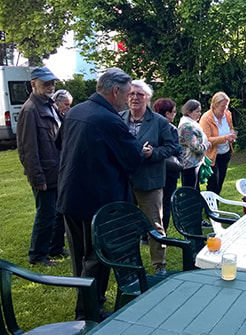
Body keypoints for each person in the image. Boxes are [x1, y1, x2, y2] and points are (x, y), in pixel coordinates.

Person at [57, 68, 145, 320]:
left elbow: (60, 146)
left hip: (70, 195)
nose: (129, 99)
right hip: (99, 201)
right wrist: (142, 150)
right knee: (97, 257)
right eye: (128, 93)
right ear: (115, 91)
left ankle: (87, 302)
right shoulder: (109, 120)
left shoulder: (75, 111)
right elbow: (133, 158)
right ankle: (87, 313)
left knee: (79, 257)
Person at [120, 80, 176, 274]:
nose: (135, 98)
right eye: (132, 94)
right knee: (126, 225)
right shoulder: (119, 118)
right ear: (126, 97)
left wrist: (153, 153)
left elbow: (172, 148)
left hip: (150, 181)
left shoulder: (160, 122)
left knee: (155, 226)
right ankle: (129, 265)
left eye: (140, 94)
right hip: (124, 181)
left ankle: (159, 265)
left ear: (148, 99)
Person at [16, 67, 67, 266]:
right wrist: (37, 179)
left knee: (58, 213)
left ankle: (55, 248)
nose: (50, 86)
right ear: (33, 84)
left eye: (52, 83)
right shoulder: (30, 110)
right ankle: (37, 255)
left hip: (58, 171)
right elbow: (27, 150)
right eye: (45, 83)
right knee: (45, 215)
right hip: (44, 175)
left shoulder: (51, 105)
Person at [153, 98, 183, 232]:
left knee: (151, 203)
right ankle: (162, 232)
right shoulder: (170, 128)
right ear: (167, 113)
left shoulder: (149, 126)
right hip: (169, 171)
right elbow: (175, 149)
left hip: (152, 170)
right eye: (173, 112)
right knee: (165, 202)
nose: (174, 114)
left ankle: (146, 234)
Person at [200, 91, 236, 194]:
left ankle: (215, 205)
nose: (225, 108)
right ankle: (210, 208)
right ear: (215, 105)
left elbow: (230, 129)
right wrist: (225, 138)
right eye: (223, 106)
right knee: (213, 183)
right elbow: (206, 139)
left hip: (225, 153)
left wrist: (232, 135)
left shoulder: (228, 115)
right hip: (211, 156)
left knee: (220, 182)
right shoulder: (206, 118)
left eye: (227, 105)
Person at [178, 99, 211, 189]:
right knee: (191, 192)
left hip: (194, 163)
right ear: (189, 112)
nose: (200, 113)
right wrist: (207, 145)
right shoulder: (187, 126)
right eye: (197, 111)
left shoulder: (192, 123)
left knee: (195, 190)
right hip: (189, 165)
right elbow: (196, 147)